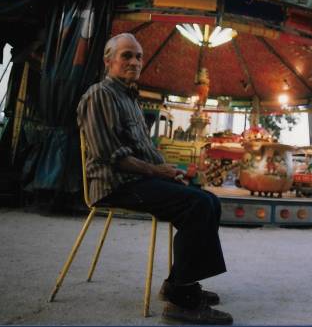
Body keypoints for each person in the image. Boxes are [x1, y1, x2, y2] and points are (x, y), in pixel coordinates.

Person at [77, 33, 232, 325]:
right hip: (115, 184)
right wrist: (158, 172)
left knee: (209, 200)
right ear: (108, 60)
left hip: (136, 179)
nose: (135, 62)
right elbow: (112, 157)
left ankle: (179, 283)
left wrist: (169, 170)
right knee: (197, 205)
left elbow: (146, 151)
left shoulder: (130, 99)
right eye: (126, 55)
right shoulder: (100, 95)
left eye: (138, 56)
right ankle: (181, 302)